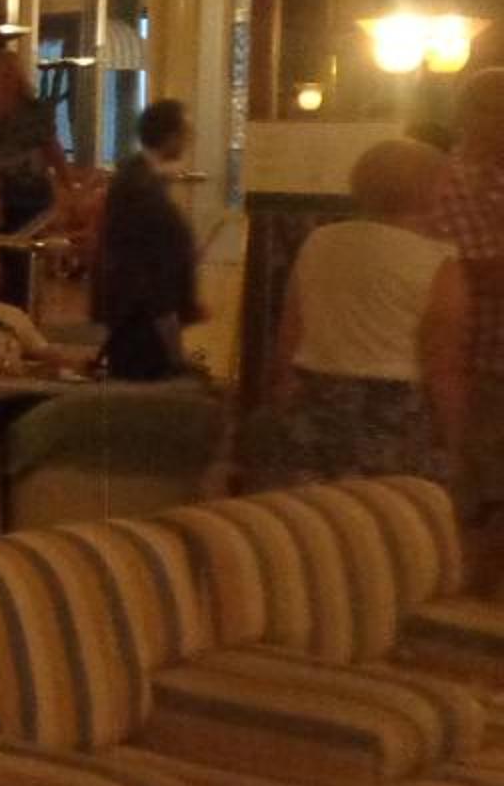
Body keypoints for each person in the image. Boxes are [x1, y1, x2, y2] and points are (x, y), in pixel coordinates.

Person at [250, 137, 463, 486]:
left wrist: (283, 392)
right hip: (395, 408)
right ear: (432, 191)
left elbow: (290, 332)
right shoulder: (439, 264)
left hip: (315, 394)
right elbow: (441, 364)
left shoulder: (319, 241)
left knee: (312, 508)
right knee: (381, 510)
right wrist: (453, 437)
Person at [428, 65, 504, 522]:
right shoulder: (447, 181)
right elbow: (474, 269)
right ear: (473, 115)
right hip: (472, 361)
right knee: (472, 498)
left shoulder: (495, 178)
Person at [97, 99, 201, 381]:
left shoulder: (139, 178)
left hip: (139, 311)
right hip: (140, 315)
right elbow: (151, 261)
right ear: (170, 136)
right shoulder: (142, 187)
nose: (189, 140)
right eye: (185, 132)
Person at [0, 50, 69, 307]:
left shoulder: (35, 111)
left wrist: (66, 185)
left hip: (30, 195)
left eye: (9, 76)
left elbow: (52, 149)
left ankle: (20, 309)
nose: (4, 82)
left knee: (22, 258)